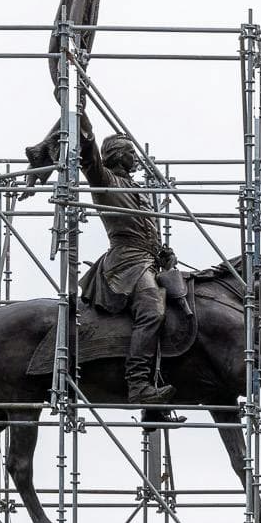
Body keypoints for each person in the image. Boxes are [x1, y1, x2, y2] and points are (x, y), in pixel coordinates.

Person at [69, 120, 177, 410]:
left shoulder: (139, 190)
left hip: (149, 261)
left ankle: (157, 389)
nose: (136, 158)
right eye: (130, 152)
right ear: (117, 155)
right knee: (152, 311)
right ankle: (138, 384)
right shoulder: (104, 181)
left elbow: (148, 231)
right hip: (126, 263)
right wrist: (83, 122)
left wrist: (163, 255)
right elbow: (88, 154)